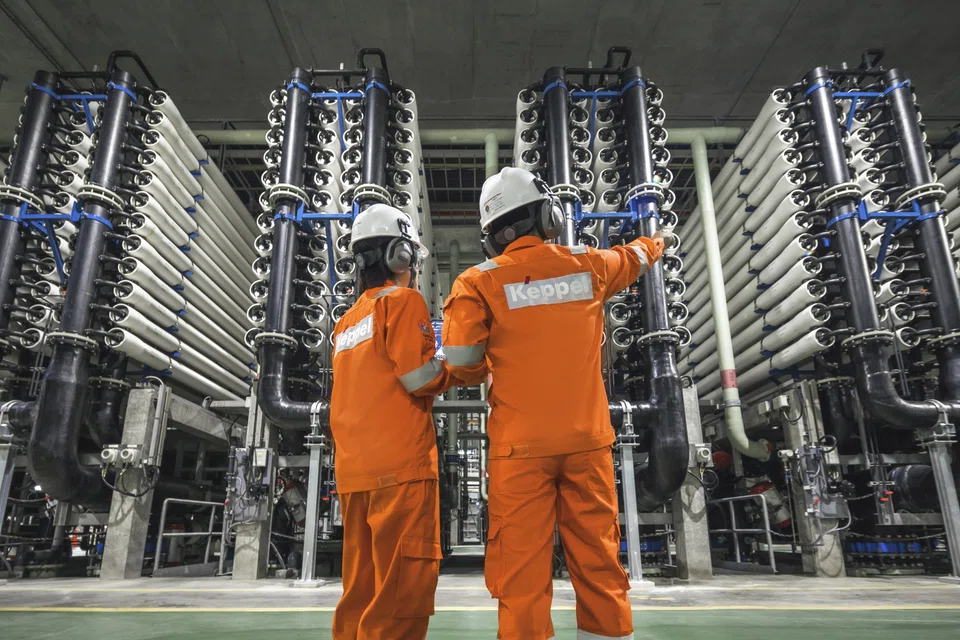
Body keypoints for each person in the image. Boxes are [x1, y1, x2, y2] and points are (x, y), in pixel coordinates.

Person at [441, 167, 666, 640]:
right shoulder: (589, 264)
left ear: (490, 237)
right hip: (587, 442)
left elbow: (461, 363)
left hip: (518, 449)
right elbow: (636, 256)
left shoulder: (476, 281)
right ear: (550, 216)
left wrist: (487, 365)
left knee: (520, 571)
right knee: (598, 560)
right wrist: (657, 240)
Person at [329, 203, 462, 640]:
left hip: (355, 475)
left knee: (361, 590)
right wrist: (458, 365)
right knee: (401, 593)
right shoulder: (403, 303)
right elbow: (418, 378)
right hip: (400, 472)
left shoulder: (346, 322)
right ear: (399, 257)